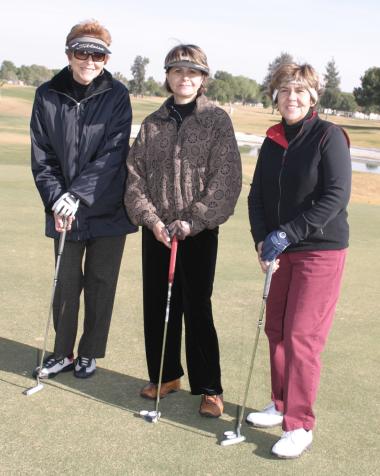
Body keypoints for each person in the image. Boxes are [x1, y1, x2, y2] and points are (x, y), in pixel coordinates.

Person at [125, 44, 242, 417]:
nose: (185, 78)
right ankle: (165, 375)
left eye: (192, 72)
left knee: (196, 307)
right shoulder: (153, 123)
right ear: (168, 76)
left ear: (203, 79)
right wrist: (153, 221)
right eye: (178, 71)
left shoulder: (216, 121)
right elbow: (134, 179)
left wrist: (194, 220)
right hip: (158, 230)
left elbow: (226, 180)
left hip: (198, 231)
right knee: (158, 303)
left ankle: (209, 388)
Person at [247, 63, 351, 458]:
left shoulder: (329, 136)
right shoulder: (273, 139)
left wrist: (287, 233)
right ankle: (280, 403)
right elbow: (256, 195)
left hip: (320, 251)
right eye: (285, 90)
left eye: (300, 91)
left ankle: (300, 423)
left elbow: (335, 196)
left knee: (302, 337)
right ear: (275, 97)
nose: (292, 97)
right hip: (279, 250)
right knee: (276, 329)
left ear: (313, 98)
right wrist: (262, 241)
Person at [31, 20, 137, 379]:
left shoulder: (117, 95)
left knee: (100, 283)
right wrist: (58, 197)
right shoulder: (47, 94)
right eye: (82, 52)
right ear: (68, 54)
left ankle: (89, 352)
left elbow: (112, 154)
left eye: (98, 54)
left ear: (106, 59)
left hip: (107, 208)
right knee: (66, 284)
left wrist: (78, 194)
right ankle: (62, 353)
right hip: (63, 209)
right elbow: (42, 154)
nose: (89, 61)